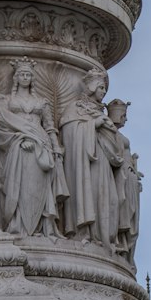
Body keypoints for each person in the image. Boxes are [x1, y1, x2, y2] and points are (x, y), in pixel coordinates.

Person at [0, 58, 67, 237]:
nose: (25, 77)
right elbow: (0, 122)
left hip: (41, 145)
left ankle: (39, 227)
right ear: (16, 78)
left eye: (28, 74)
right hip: (18, 146)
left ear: (32, 78)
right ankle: (18, 225)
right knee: (20, 186)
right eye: (22, 74)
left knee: (38, 187)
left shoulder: (42, 102)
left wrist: (55, 148)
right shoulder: (7, 100)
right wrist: (19, 138)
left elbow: (49, 126)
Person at [59, 67, 124, 247]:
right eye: (101, 87)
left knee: (109, 199)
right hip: (87, 162)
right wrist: (93, 125)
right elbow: (69, 132)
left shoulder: (100, 111)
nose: (103, 92)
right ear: (92, 87)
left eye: (104, 88)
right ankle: (87, 233)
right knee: (92, 193)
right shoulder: (75, 108)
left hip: (102, 161)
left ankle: (104, 237)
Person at [106, 98, 142, 264]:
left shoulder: (117, 134)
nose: (125, 119)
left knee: (131, 216)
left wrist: (133, 169)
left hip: (129, 178)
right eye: (123, 115)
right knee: (122, 208)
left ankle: (126, 252)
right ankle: (119, 242)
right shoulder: (109, 132)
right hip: (121, 176)